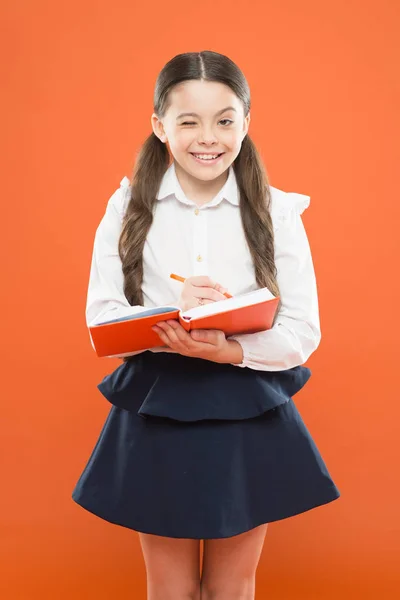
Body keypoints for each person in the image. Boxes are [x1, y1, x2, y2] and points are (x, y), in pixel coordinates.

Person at [72, 50, 340, 600]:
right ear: (159, 126)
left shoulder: (274, 210)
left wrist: (229, 350)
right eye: (188, 120)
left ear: (247, 122)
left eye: (224, 119)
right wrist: (172, 308)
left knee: (232, 585)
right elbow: (102, 319)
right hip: (159, 402)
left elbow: (301, 333)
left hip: (246, 404)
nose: (207, 137)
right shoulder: (127, 208)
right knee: (168, 586)